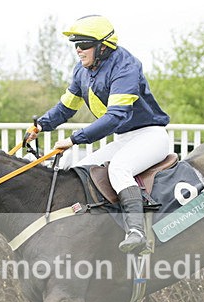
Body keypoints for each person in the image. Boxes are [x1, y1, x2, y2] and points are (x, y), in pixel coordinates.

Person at [27, 15, 170, 254]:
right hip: (125, 139)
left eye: (83, 45)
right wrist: (41, 125)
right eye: (76, 45)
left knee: (118, 169)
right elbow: (66, 108)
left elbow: (116, 117)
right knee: (80, 172)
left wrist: (74, 139)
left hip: (150, 136)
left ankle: (136, 232)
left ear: (103, 47)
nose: (78, 51)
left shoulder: (126, 67)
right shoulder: (81, 70)